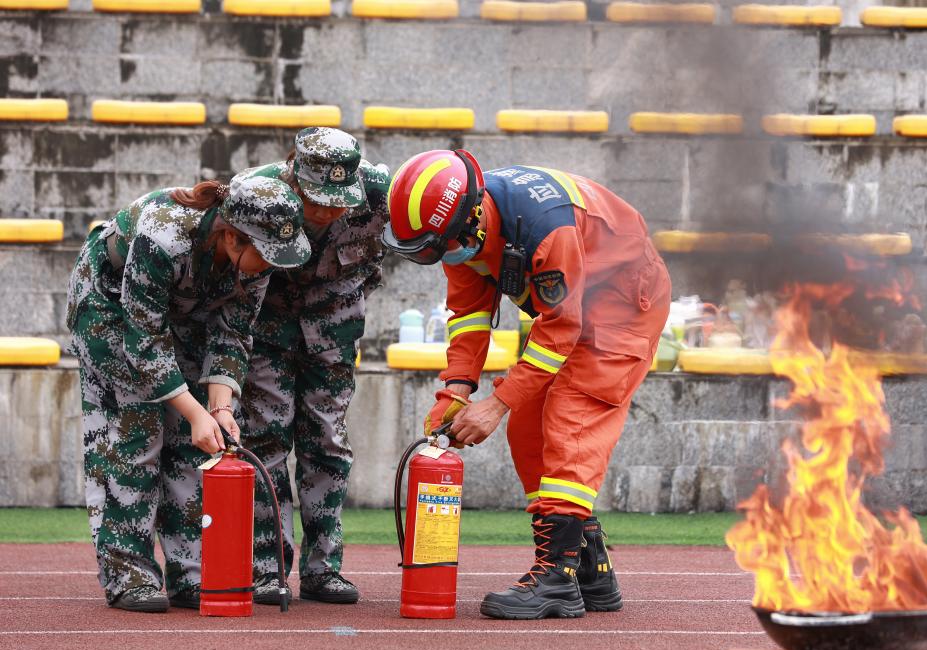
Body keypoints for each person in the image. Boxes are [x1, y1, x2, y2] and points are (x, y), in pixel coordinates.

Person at [383, 150, 671, 619]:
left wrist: (495, 404)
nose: (439, 258)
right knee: (528, 430)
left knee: (571, 420)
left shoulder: (545, 227)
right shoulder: (459, 231)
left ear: (474, 219)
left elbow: (560, 329)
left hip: (624, 306)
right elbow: (468, 317)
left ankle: (557, 576)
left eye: (438, 248)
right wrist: (456, 391)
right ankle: (590, 570)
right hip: (575, 308)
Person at [66, 176, 309, 612]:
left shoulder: (258, 261)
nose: (272, 266)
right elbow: (144, 342)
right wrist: (195, 412)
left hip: (183, 314)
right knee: (135, 435)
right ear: (233, 237)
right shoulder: (163, 236)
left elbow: (233, 334)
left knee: (196, 443)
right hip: (110, 308)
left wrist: (220, 407)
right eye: (267, 255)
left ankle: (191, 574)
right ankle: (129, 576)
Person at [236, 127, 390, 605]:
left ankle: (324, 569)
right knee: (266, 438)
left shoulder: (380, 193)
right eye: (318, 200)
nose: (328, 212)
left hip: (333, 332)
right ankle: (267, 568)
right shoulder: (258, 194)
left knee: (327, 442)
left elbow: (381, 257)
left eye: (338, 202)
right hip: (267, 332)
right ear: (295, 177)